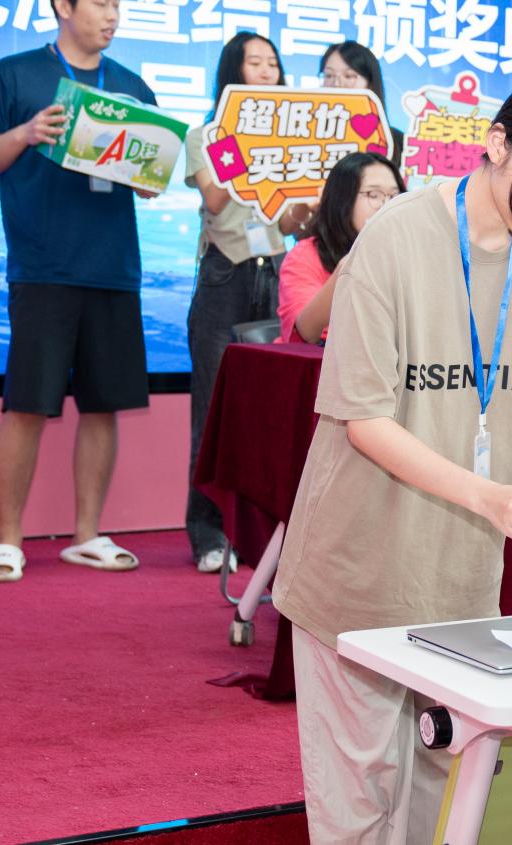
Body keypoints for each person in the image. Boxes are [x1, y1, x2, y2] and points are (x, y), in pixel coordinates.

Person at [271, 66, 512, 843]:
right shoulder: (394, 235)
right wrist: (491, 496)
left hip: (461, 575)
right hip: (357, 566)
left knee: (442, 782)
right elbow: (364, 419)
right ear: (495, 143)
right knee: (359, 797)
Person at [0, 0, 159, 582]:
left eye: (118, 6)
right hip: (43, 265)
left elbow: (151, 179)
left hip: (113, 267)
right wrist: (25, 133)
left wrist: (150, 174)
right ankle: (7, 540)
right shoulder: (14, 75)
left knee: (103, 403)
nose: (113, 16)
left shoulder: (131, 87)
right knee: (27, 403)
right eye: (101, 4)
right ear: (63, 5)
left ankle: (87, 534)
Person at [184, 32, 303, 574]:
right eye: (254, 62)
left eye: (272, 63)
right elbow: (214, 198)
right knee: (211, 410)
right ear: (233, 71)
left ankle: (255, 537)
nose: (266, 71)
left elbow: (290, 221)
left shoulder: (292, 140)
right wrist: (247, 146)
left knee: (266, 411)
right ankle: (207, 534)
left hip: (274, 270)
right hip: (224, 273)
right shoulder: (205, 133)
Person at [275, 151, 405, 344]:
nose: (386, 205)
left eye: (394, 195)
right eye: (373, 194)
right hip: (321, 359)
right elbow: (305, 333)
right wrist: (349, 268)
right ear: (342, 199)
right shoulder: (305, 255)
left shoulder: (405, 253)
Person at [319, 41, 404, 167]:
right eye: (329, 75)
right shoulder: (305, 133)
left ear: (370, 83)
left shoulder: (397, 141)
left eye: (349, 76)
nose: (336, 83)